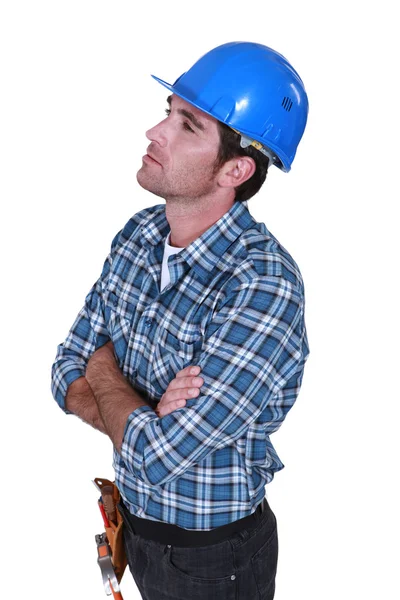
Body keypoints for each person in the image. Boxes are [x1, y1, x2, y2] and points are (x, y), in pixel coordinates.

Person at [51, 41, 310, 600]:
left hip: (215, 562)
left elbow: (157, 457)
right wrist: (138, 410)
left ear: (236, 168)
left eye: (187, 126)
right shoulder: (139, 235)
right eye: (168, 112)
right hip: (137, 533)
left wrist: (105, 375)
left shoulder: (261, 285)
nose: (155, 132)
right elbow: (64, 370)